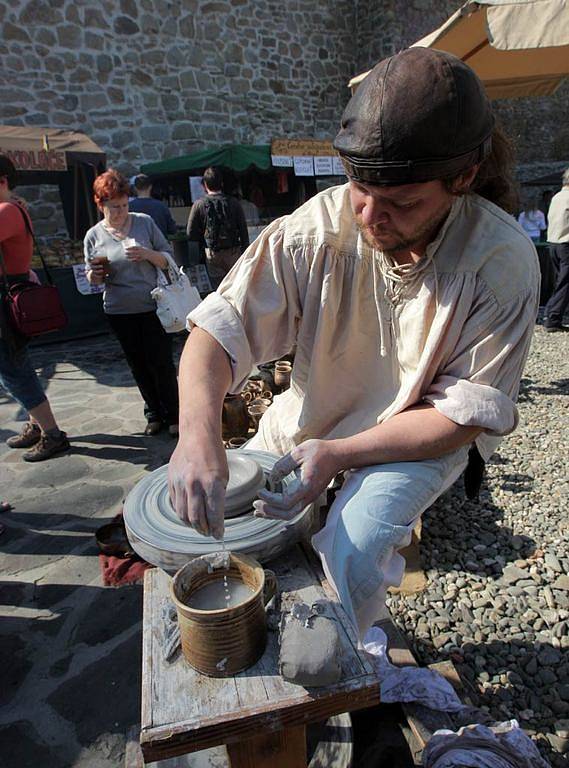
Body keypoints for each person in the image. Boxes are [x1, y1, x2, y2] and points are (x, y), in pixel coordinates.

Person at [168, 48, 539, 637]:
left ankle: (351, 655)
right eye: (360, 188)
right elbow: (217, 330)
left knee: (353, 546)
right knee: (225, 524)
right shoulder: (316, 229)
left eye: (403, 203)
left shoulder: (500, 263)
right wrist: (197, 435)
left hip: (419, 430)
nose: (371, 216)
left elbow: (462, 417)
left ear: (463, 179)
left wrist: (341, 455)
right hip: (316, 416)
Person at [84, 169, 179, 436]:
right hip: (118, 310)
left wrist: (148, 254)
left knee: (161, 362)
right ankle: (154, 414)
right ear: (100, 204)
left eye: (125, 205)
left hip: (152, 306)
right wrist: (96, 274)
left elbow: (168, 258)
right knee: (137, 364)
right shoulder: (93, 236)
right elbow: (90, 279)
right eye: (114, 207)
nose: (121, 212)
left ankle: (174, 414)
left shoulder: (144, 222)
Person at [0, 155, 69, 462]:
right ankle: (36, 424)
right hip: (8, 298)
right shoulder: (11, 207)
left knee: (13, 371)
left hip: (5, 302)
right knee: (15, 368)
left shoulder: (7, 210)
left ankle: (53, 434)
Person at [186, 167, 249, 289]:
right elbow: (243, 229)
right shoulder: (234, 202)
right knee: (236, 285)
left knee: (219, 288)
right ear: (222, 183)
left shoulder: (199, 204)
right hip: (233, 252)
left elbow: (191, 233)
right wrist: (245, 251)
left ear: (204, 185)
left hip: (212, 253)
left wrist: (196, 256)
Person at [543, 168, 569, 332]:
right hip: (566, 243)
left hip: (554, 243)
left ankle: (551, 314)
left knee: (561, 281)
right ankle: (552, 317)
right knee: (565, 282)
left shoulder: (557, 197)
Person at [129, 174, 178, 239]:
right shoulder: (161, 206)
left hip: (139, 246)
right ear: (150, 187)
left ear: (135, 188)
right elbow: (172, 230)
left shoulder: (129, 207)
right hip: (160, 246)